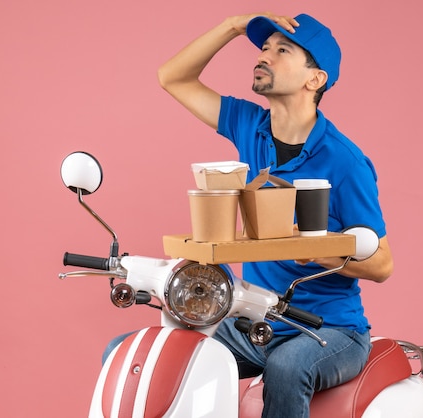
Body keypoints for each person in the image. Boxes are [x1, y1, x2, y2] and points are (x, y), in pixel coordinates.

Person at [156, 11, 394, 418]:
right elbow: (172, 78)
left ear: (314, 79)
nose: (264, 55)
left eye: (282, 50)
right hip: (256, 322)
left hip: (330, 331)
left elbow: (382, 264)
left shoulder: (345, 162)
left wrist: (310, 248)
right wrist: (233, 26)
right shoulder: (250, 126)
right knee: (158, 355)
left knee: (287, 367)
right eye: (264, 47)